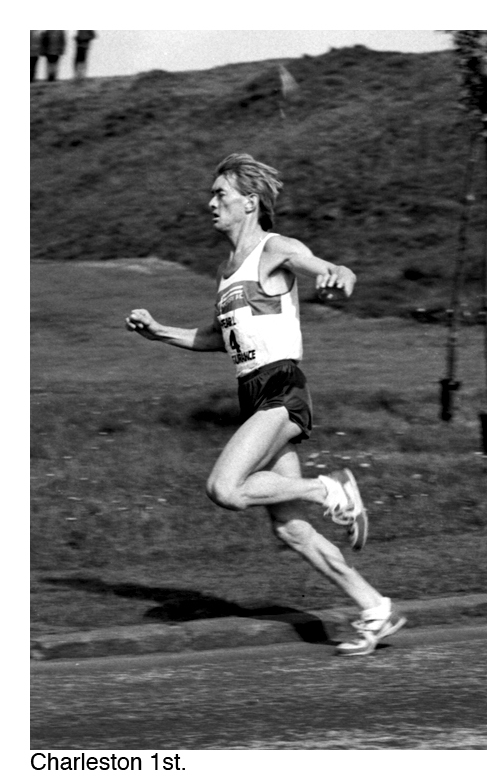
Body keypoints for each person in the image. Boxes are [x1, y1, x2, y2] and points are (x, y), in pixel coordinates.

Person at [126, 153, 405, 657]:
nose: (211, 203)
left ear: (249, 202)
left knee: (225, 488)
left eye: (220, 195)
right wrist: (160, 332)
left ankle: (331, 489)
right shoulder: (227, 269)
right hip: (252, 392)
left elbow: (319, 264)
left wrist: (336, 272)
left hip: (281, 388)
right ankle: (374, 607)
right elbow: (219, 338)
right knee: (292, 529)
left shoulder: (274, 249)